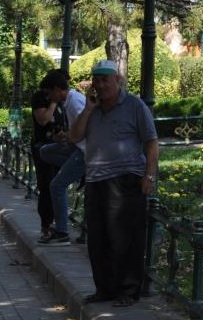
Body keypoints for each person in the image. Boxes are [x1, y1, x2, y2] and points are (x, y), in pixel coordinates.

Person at [68, 59, 158, 307]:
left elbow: (151, 142)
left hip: (126, 178)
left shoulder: (134, 105)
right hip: (96, 179)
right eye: (97, 80)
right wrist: (87, 110)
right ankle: (105, 289)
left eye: (106, 79)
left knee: (125, 238)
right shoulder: (92, 109)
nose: (101, 84)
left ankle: (128, 291)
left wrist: (149, 176)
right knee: (98, 238)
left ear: (117, 80)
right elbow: (74, 137)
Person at [37, 69, 86, 246]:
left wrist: (70, 136)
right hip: (75, 146)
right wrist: (65, 136)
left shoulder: (75, 102)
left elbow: (86, 126)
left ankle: (62, 232)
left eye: (50, 93)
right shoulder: (68, 102)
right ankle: (77, 172)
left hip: (84, 152)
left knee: (57, 184)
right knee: (45, 151)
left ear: (58, 89)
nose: (49, 97)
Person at [30, 75, 64, 242]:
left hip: (61, 146)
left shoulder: (64, 100)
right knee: (47, 186)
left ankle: (61, 225)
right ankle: (47, 225)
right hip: (43, 146)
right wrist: (53, 103)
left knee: (59, 185)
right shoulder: (40, 99)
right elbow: (43, 120)